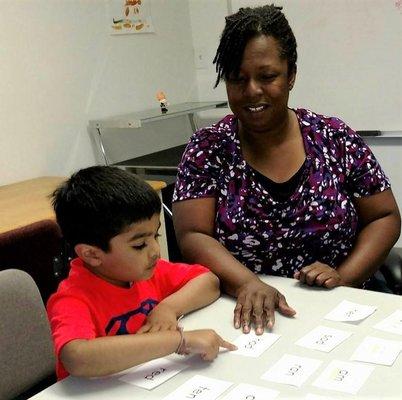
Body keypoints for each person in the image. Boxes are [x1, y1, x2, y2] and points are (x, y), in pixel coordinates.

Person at [172, 5, 401, 336]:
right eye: (238, 78)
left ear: (291, 74)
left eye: (267, 77)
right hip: (244, 314)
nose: (252, 91)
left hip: (339, 305)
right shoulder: (208, 148)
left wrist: (345, 277)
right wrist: (247, 283)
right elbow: (193, 234)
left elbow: (384, 217)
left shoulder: (334, 137)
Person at [47, 166, 235, 380]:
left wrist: (167, 308)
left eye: (156, 235)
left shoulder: (143, 271)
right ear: (91, 254)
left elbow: (209, 282)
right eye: (139, 245)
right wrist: (179, 341)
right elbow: (77, 357)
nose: (155, 250)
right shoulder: (73, 298)